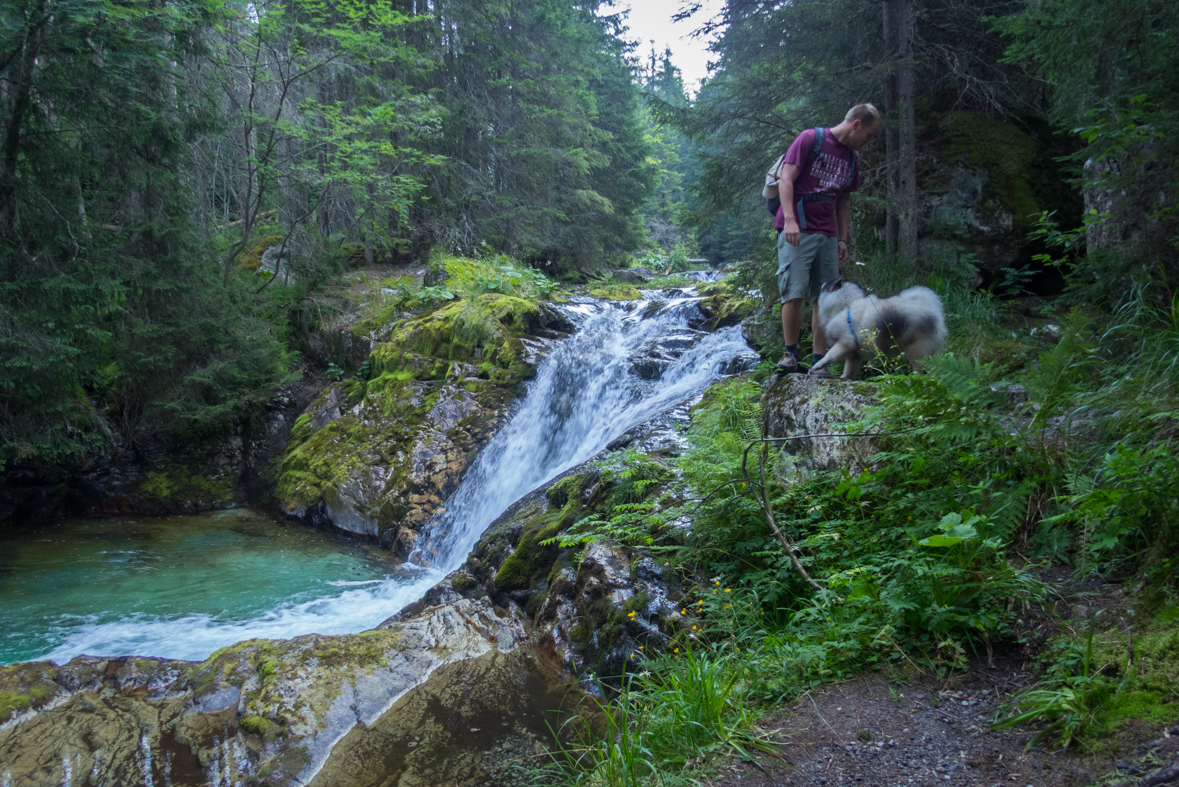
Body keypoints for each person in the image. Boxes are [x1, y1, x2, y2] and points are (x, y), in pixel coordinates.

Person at [774, 104, 881, 375]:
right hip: (797, 227)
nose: (868, 142)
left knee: (825, 298)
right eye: (869, 135)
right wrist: (789, 220)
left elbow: (844, 199)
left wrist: (842, 239)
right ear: (856, 124)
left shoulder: (852, 158)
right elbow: (786, 179)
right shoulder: (811, 139)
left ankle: (818, 361)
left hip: (827, 234)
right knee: (794, 292)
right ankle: (790, 355)